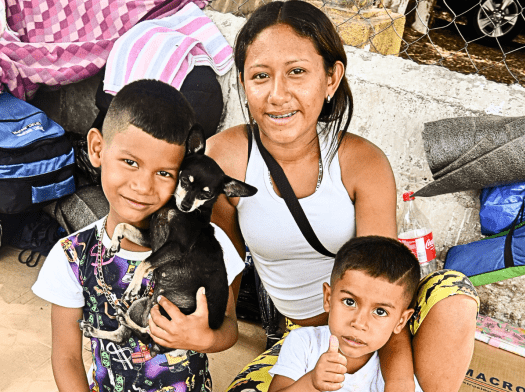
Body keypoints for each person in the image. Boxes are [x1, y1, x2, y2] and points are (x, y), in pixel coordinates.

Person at [205, 1, 480, 391]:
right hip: (304, 336)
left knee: (453, 294)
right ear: (243, 82)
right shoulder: (226, 157)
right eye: (260, 75)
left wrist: (398, 382)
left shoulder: (361, 163)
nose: (277, 94)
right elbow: (222, 271)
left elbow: (385, 282)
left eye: (297, 72)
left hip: (385, 326)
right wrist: (215, 330)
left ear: (331, 78)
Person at [31, 79, 244, 392]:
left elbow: (229, 326)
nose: (143, 186)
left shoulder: (211, 245)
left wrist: (208, 339)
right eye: (130, 162)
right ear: (97, 149)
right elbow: (66, 357)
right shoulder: (72, 257)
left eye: (164, 173)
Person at [268, 236, 423, 392]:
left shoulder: (397, 370)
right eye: (349, 302)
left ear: (401, 321)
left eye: (380, 311)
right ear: (328, 298)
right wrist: (310, 383)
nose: (359, 322)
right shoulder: (304, 343)